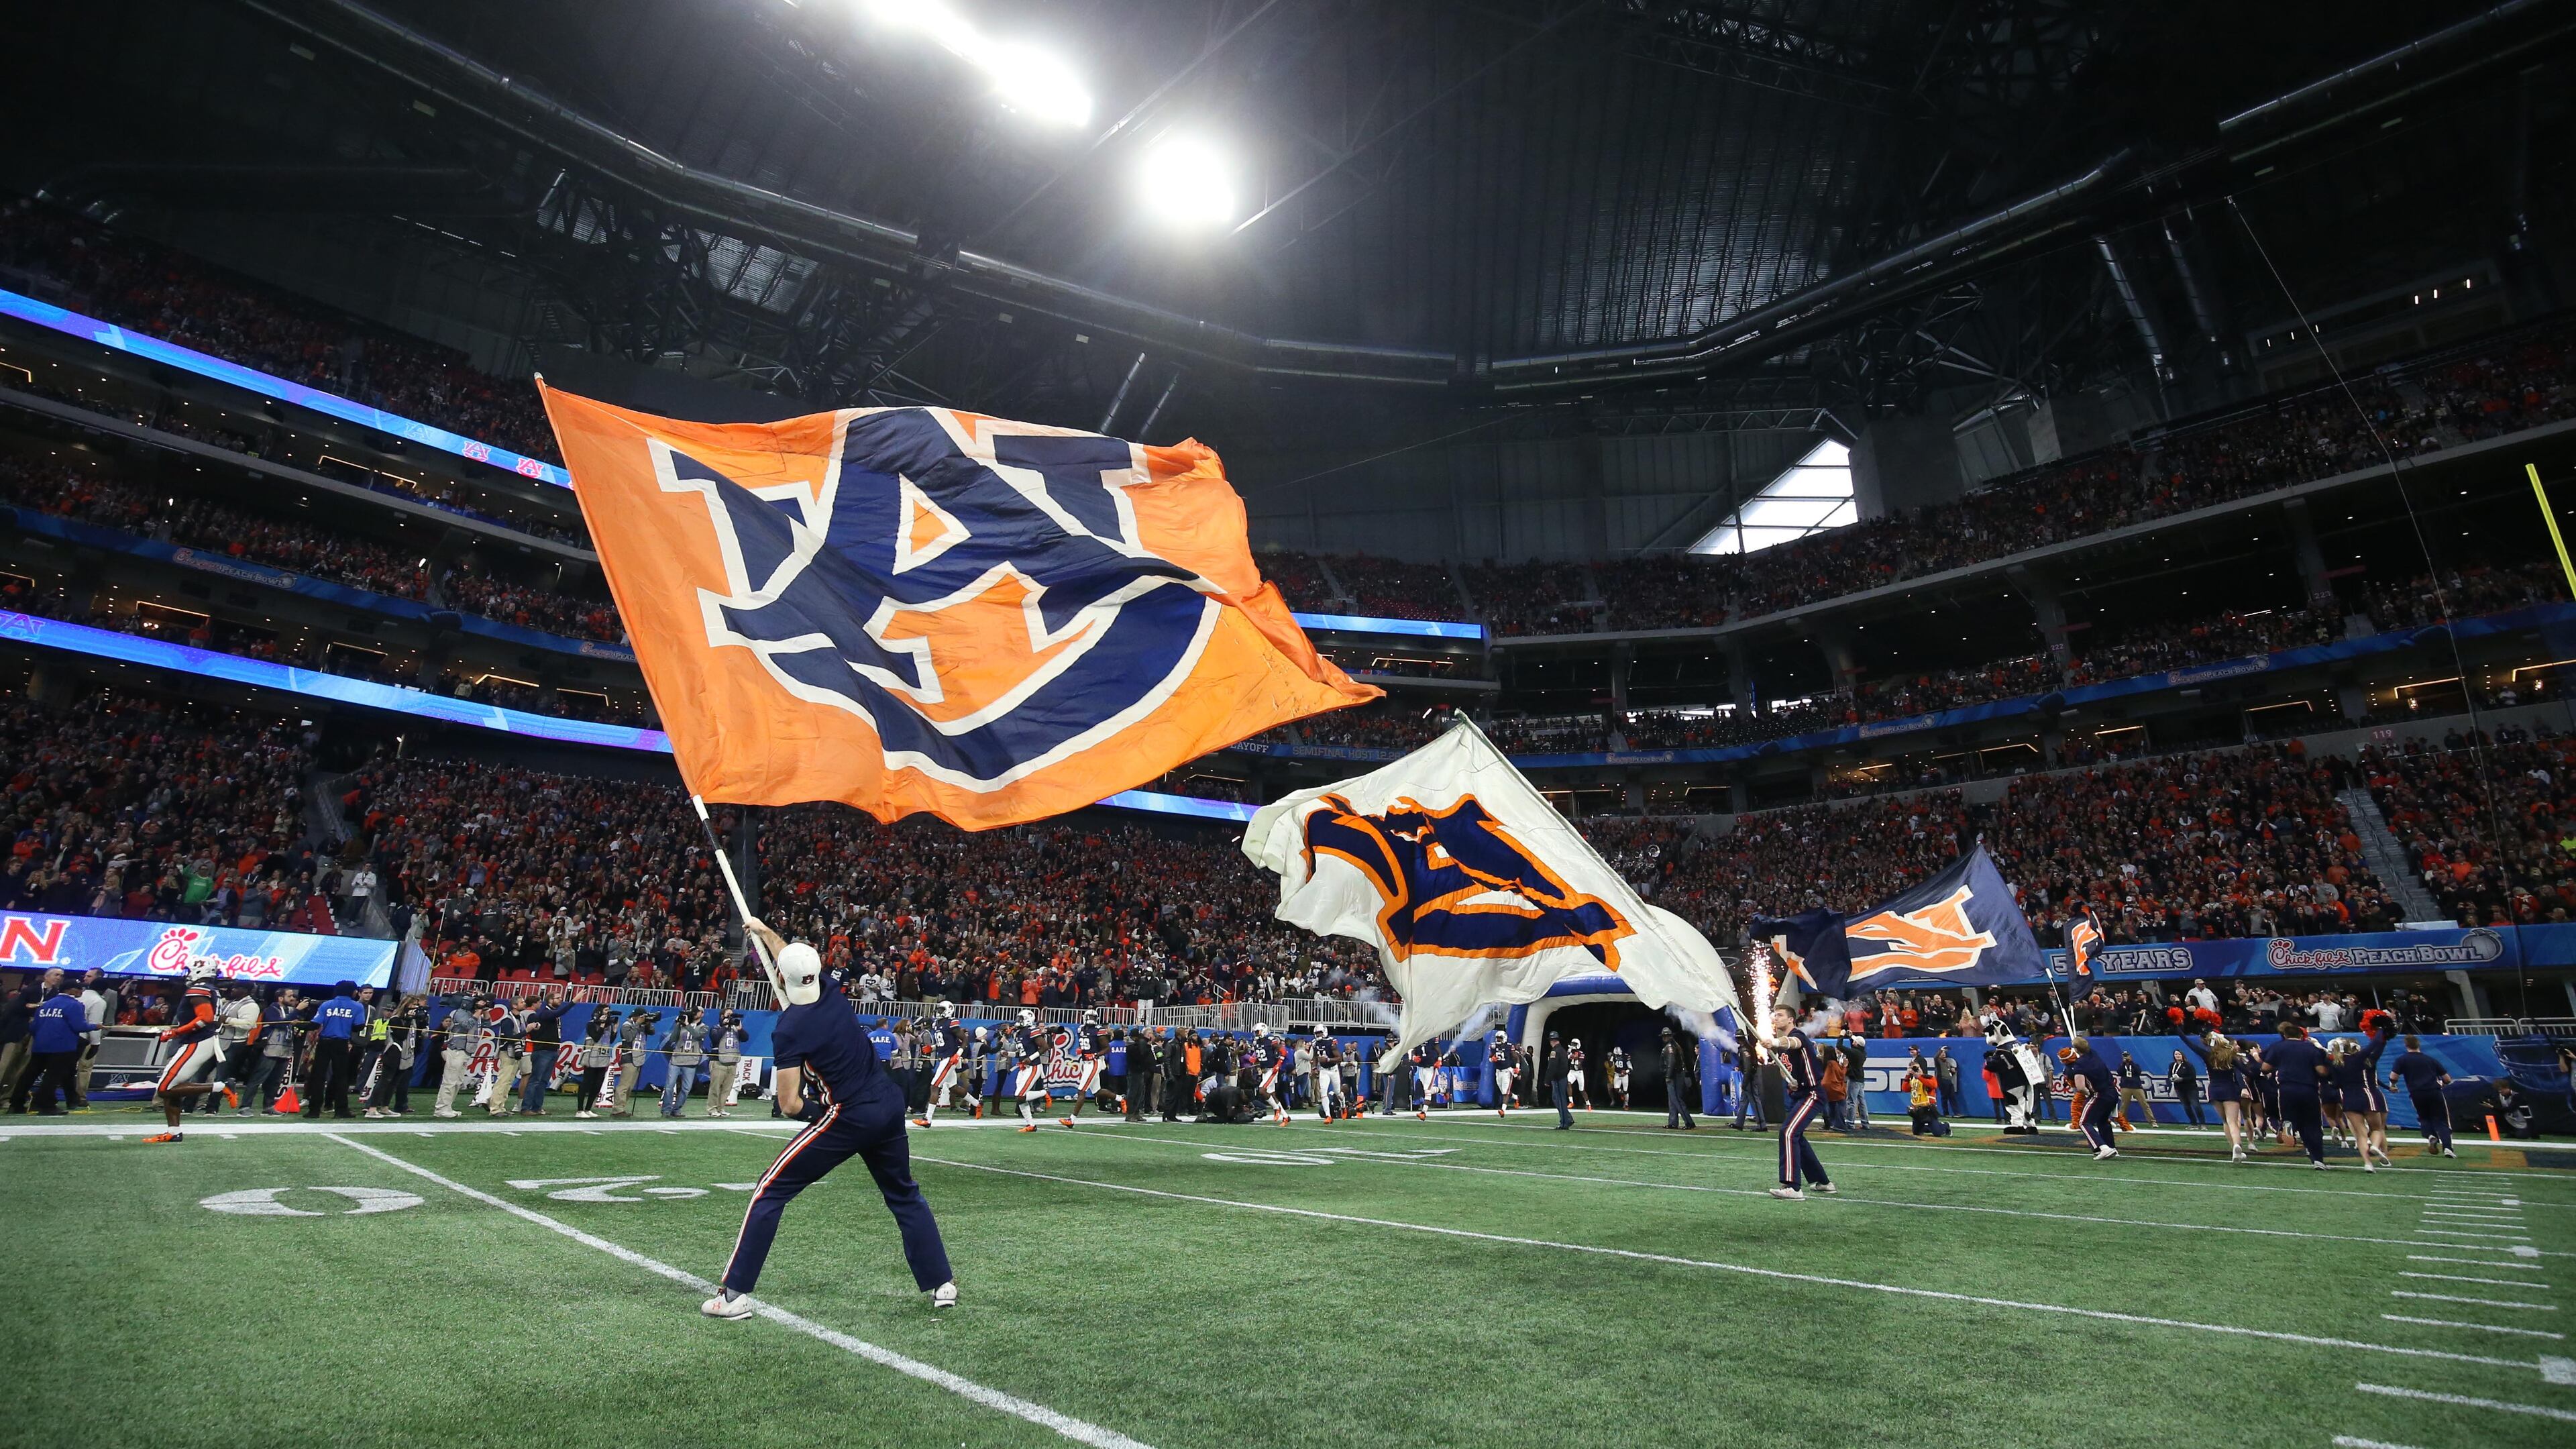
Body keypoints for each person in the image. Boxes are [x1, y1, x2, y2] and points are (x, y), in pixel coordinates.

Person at [703, 920, 955, 1320]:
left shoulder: (790, 1029)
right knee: (904, 1194)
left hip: (848, 1115)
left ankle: (734, 1296)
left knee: (769, 1191)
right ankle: (942, 1282)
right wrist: (763, 930)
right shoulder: (833, 990)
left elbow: (788, 1104)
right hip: (888, 1104)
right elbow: (791, 956)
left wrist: (821, 1116)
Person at [146, 964, 237, 1142]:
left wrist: (176, 1032)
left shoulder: (199, 988)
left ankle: (222, 1086)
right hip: (200, 1040)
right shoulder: (210, 989)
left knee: (165, 1088)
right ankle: (174, 1132)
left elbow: (205, 1018)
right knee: (174, 1086)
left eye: (190, 971)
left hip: (198, 1042)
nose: (187, 974)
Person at [1763, 1006, 1833, 1200]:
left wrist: (1774, 1041)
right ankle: (1822, 1182)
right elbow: (1785, 1070)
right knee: (1797, 1136)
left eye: (1780, 1016)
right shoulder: (1780, 1048)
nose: (1776, 1019)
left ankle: (1792, 1186)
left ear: (1791, 1020)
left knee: (1788, 1132)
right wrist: (1791, 1082)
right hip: (1800, 1094)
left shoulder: (1797, 1035)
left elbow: (1791, 1043)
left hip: (1813, 1093)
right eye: (1775, 1016)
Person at [15, 973, 91, 1115]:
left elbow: (33, 1027)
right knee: (52, 1076)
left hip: (40, 1045)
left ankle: (16, 1104)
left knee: (28, 1075)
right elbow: (79, 1026)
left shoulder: (45, 1005)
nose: (81, 992)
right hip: (62, 1046)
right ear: (71, 990)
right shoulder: (75, 1005)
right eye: (79, 989)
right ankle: (46, 1105)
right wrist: (95, 1026)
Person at [2329, 1020, 2396, 1171]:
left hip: (2349, 1099)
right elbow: (2376, 1045)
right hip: (2368, 1096)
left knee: (2360, 1134)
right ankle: (2375, 1146)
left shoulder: (2337, 1064)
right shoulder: (2362, 1059)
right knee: (2377, 1129)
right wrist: (2381, 1029)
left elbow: (2335, 1084)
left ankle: (2367, 1163)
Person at [2269, 1021, 2334, 1168]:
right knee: (2313, 1125)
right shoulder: (2311, 1049)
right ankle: (2318, 1159)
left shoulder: (2278, 1047)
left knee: (2289, 1115)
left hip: (2286, 1088)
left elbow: (2265, 1067)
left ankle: (2288, 1124)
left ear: (2285, 1035)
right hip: (2309, 1089)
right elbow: (2321, 1071)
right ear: (2301, 1035)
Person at [301, 980, 368, 1120]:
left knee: (318, 1076)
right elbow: (359, 1027)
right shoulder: (358, 1006)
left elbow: (315, 1024)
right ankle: (341, 1110)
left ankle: (314, 1110)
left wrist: (299, 1026)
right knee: (341, 1078)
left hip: (324, 1043)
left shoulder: (327, 1005)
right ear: (352, 991)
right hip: (341, 1044)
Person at [2386, 1035, 2457, 1158]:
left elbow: (2393, 1077)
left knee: (2424, 1117)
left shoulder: (2402, 1060)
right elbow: (2447, 1079)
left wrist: (2393, 1085)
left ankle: (2430, 1135)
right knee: (2442, 1121)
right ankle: (2448, 1148)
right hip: (2434, 1092)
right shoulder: (2430, 1060)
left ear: (2406, 1046)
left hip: (2416, 1093)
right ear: (2419, 1045)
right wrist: (2443, 1083)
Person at [2061, 1038, 2119, 1161]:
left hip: (2099, 1094)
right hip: (2113, 1092)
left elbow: (2080, 1087)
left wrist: (2088, 1093)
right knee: (2103, 1121)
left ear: (2076, 1050)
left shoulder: (2079, 1065)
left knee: (2083, 1122)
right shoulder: (2094, 1054)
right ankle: (2111, 1147)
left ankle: (2103, 1148)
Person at [916, 1002, 969, 1127]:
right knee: (954, 1087)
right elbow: (943, 1042)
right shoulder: (937, 1023)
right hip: (943, 1058)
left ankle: (928, 1119)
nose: (939, 1012)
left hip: (950, 1059)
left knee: (935, 1086)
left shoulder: (952, 1022)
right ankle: (977, 1105)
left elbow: (965, 1040)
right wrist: (933, 1048)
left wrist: (958, 1054)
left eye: (941, 1009)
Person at [520, 989, 568, 1116]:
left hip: (552, 1050)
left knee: (543, 1081)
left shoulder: (552, 1015)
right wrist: (574, 1002)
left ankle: (537, 1107)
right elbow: (560, 1012)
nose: (560, 1000)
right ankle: (526, 1107)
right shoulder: (544, 1013)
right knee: (535, 1080)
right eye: (558, 998)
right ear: (550, 1000)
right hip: (543, 1051)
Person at [433, 996, 479, 1118]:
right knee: (450, 1080)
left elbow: (487, 1023)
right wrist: (478, 1012)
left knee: (458, 1081)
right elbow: (467, 1025)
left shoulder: (471, 1013)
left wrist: (484, 1011)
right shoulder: (459, 1013)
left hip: (466, 1050)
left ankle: (448, 1107)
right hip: (456, 1048)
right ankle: (441, 1108)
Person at [1008, 1008, 1053, 1132]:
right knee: (1019, 1097)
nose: (1018, 1021)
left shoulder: (1031, 1031)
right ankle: (1031, 1125)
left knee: (1020, 1095)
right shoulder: (1019, 1033)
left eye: (1021, 1019)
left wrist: (1031, 1058)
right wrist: (1008, 1054)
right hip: (1024, 1067)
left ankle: (1044, 1093)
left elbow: (1045, 1047)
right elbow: (1021, 1054)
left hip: (1033, 1067)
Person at [661, 1010, 706, 1117]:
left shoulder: (704, 1027)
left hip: (691, 1060)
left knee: (686, 1088)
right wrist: (678, 1025)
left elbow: (697, 1035)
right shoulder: (681, 1026)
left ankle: (676, 1109)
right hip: (677, 1059)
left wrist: (687, 1025)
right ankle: (666, 1109)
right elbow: (672, 1039)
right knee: (669, 1086)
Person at [572, 1014, 615, 1119]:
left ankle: (588, 1108)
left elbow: (611, 1040)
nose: (608, 1014)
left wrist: (615, 1028)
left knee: (598, 1084)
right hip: (591, 1057)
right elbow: (596, 1038)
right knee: (586, 1083)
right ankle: (580, 1110)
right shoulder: (591, 1024)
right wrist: (602, 1025)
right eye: (605, 1011)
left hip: (602, 1057)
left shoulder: (608, 1026)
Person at [1249, 1022, 1291, 1126]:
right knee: (1272, 1095)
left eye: (1257, 1032)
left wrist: (1279, 1064)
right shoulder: (1256, 1042)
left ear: (1263, 1031)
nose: (1256, 1034)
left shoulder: (1271, 1040)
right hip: (1265, 1070)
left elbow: (1284, 1052)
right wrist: (1255, 1060)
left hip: (1272, 1070)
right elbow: (1260, 1056)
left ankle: (1276, 1109)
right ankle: (1286, 1117)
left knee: (1262, 1090)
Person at [708, 1010, 747, 1118]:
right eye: (728, 1015)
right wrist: (725, 1026)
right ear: (722, 1016)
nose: (730, 1017)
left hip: (732, 1061)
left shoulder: (735, 1029)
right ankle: (712, 1109)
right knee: (715, 1087)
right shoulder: (716, 1028)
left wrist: (740, 1029)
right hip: (718, 1061)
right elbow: (715, 1039)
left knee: (727, 1088)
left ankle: (721, 1108)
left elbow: (745, 1038)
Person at [1664, 1028, 1699, 1130]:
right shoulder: (1676, 1046)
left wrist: (1668, 1076)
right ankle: (1673, 1122)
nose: (1665, 1038)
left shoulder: (1670, 1048)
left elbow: (1671, 1063)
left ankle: (1689, 1122)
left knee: (1677, 1099)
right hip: (1678, 1074)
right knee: (1673, 1100)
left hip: (1675, 1076)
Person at [2116, 1052, 2153, 1133]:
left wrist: (2131, 1063)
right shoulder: (2122, 1066)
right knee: (2123, 1105)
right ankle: (2122, 1121)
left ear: (2130, 1057)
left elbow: (2138, 1072)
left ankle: (2152, 1121)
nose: (2126, 1058)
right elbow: (2119, 1072)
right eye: (2124, 1056)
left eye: (2127, 1056)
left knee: (2144, 1104)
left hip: (2137, 1087)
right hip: (2125, 1087)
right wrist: (2123, 1064)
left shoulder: (2135, 1065)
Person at [2167, 1049, 2203, 1128]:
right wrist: (2171, 1079)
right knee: (2186, 1106)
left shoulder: (2188, 1065)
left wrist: (2182, 1079)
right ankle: (2193, 1123)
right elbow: (2169, 1074)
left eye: (2179, 1054)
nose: (2177, 1056)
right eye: (2176, 1054)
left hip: (2191, 1088)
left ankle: (2203, 1124)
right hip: (2179, 1088)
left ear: (2183, 1055)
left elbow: (2193, 1077)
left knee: (2195, 1105)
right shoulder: (2172, 1065)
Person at [1488, 1030, 1517, 1119]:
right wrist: (1492, 1059)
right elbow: (1490, 1057)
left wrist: (1517, 1067)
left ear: (1504, 1038)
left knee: (1505, 1092)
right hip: (1498, 1071)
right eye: (1497, 1038)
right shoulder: (1493, 1046)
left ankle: (1503, 1110)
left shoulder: (1509, 1046)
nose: (1498, 1040)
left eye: (1500, 1038)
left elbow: (1516, 1058)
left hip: (1507, 1071)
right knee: (1504, 1091)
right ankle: (1516, 1097)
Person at [1608, 1044, 1632, 1109]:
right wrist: (1612, 1057)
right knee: (1616, 1089)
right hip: (1617, 1075)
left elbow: (1631, 1068)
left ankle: (1626, 1104)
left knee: (1625, 1090)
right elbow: (1610, 1065)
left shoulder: (1625, 1057)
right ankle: (1622, 1095)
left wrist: (1626, 1072)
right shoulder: (1614, 1057)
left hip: (1624, 1076)